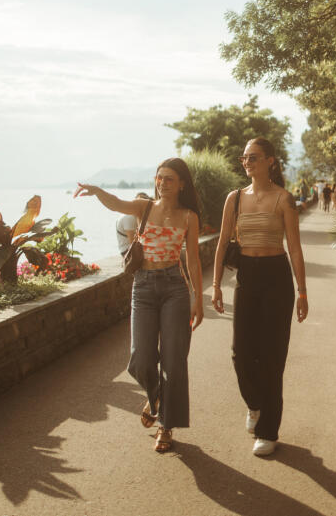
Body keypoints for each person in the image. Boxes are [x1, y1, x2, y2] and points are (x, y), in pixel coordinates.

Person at [74, 157, 203, 453]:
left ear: (181, 184)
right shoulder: (144, 207)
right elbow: (116, 204)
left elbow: (194, 260)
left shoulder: (189, 217)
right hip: (143, 287)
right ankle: (156, 396)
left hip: (174, 288)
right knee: (141, 357)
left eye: (169, 179)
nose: (162, 183)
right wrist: (97, 191)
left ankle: (166, 426)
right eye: (159, 177)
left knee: (173, 360)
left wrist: (197, 298)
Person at [211, 137, 308, 457]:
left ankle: (268, 431)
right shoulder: (235, 198)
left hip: (276, 276)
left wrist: (302, 291)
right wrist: (216, 285)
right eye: (245, 158)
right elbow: (222, 242)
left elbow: (295, 248)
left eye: (253, 157)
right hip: (247, 276)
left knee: (272, 357)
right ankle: (255, 404)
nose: (247, 162)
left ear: (270, 161)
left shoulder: (284, 199)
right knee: (240, 353)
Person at [116, 192, 151, 257]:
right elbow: (133, 243)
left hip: (132, 248)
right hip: (127, 251)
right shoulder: (130, 217)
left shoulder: (135, 215)